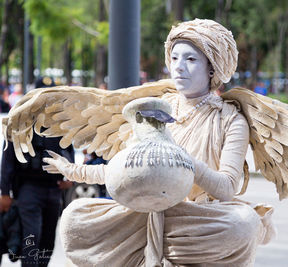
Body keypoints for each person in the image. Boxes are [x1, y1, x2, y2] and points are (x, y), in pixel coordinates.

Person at [40, 19, 274, 266]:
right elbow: (127, 168)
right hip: (145, 212)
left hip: (198, 218)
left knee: (244, 224)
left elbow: (226, 189)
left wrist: (184, 163)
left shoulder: (231, 120)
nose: (179, 67)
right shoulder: (154, 108)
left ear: (212, 68)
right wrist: (72, 170)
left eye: (191, 60)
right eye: (174, 58)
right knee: (74, 217)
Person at [0, 76, 75, 267]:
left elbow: (69, 151)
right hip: (28, 189)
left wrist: (70, 177)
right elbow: (8, 158)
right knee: (31, 240)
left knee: (47, 244)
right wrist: (4, 192)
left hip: (54, 189)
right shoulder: (20, 120)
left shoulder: (59, 122)